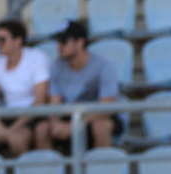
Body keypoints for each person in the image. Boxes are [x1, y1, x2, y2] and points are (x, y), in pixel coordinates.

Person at [34, 20, 123, 151]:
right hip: (69, 115)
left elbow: (106, 106)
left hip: (94, 116)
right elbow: (54, 101)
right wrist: (55, 123)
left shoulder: (104, 66)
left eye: (64, 42)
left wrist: (74, 125)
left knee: (101, 126)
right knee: (42, 129)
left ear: (80, 42)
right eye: (58, 42)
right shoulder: (56, 66)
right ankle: (51, 165)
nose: (59, 46)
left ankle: (101, 164)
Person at [0, 18, 49, 156]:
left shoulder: (36, 58)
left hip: (32, 115)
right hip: (7, 115)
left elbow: (39, 101)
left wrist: (12, 130)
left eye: (2, 39)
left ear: (18, 41)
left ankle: (25, 170)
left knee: (18, 139)